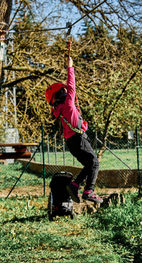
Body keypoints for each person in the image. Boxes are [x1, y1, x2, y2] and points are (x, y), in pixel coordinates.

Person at [45, 56, 103, 204]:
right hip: (79, 140)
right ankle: (88, 191)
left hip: (72, 142)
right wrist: (70, 67)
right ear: (59, 94)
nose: (66, 91)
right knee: (94, 163)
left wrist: (82, 125)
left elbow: (73, 122)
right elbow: (72, 86)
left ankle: (75, 185)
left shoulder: (60, 110)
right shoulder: (68, 104)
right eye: (63, 90)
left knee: (89, 164)